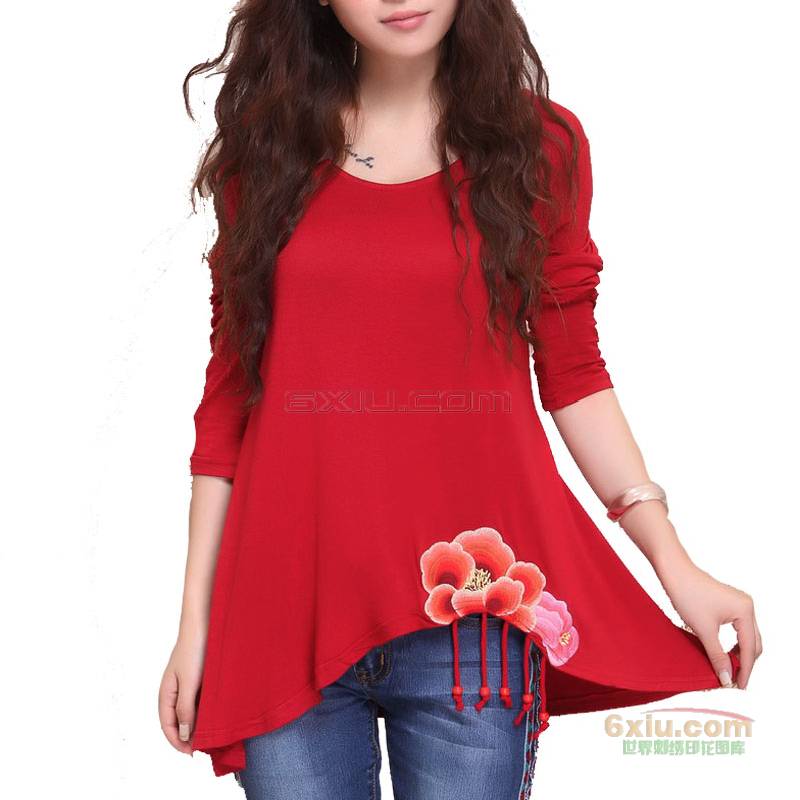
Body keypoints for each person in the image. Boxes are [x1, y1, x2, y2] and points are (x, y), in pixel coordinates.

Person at [158, 2, 762, 798]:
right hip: (282, 611)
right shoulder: (265, 150)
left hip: (473, 616)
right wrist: (196, 623)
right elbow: (230, 398)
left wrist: (673, 564)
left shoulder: (537, 147)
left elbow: (575, 374)